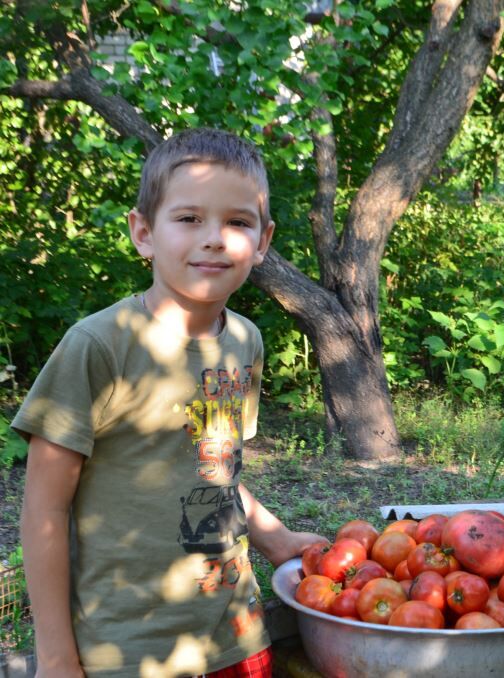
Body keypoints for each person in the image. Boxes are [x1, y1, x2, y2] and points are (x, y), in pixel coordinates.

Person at [15, 128, 324, 677]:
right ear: (144, 233)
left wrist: (276, 539)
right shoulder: (99, 346)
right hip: (129, 651)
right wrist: (56, 658)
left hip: (236, 636)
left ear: (263, 241)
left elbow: (212, 468)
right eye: (188, 218)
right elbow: (44, 510)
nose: (214, 239)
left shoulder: (245, 341)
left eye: (238, 222)